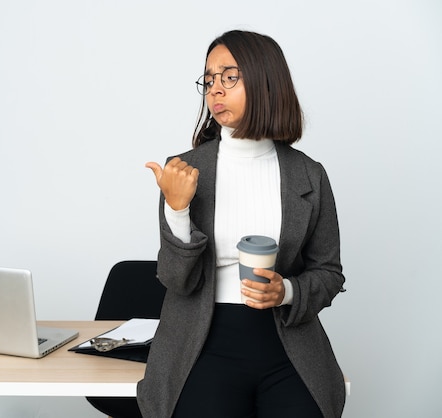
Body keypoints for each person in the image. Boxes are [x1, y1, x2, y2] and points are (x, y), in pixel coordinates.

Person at [138, 30, 346, 418]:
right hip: (200, 344)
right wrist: (177, 209)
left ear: (266, 82)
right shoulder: (184, 170)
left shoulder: (309, 176)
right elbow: (174, 278)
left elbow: (329, 273)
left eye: (229, 77)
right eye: (209, 79)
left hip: (288, 345)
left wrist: (285, 292)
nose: (215, 89)